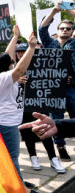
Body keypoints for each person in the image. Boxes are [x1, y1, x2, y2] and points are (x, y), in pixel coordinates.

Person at [0, 32, 42, 193]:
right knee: (12, 157)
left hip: (5, 122)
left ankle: (19, 181)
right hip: (6, 124)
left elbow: (8, 56)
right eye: (10, 63)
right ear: (5, 66)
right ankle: (21, 189)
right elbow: (21, 69)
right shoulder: (3, 77)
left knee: (9, 156)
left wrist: (15, 37)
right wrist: (31, 48)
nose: (13, 62)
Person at [15, 43, 65, 173]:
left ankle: (53, 158)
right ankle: (33, 157)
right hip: (22, 107)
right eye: (18, 52)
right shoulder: (13, 69)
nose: (21, 54)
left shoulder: (40, 65)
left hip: (40, 104)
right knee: (27, 133)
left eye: (23, 51)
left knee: (45, 130)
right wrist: (16, 80)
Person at [39, 1, 75, 161]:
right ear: (58, 30)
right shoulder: (50, 44)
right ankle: (60, 146)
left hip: (72, 87)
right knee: (56, 118)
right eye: (62, 28)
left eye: (68, 28)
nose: (65, 30)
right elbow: (42, 28)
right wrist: (54, 11)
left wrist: (71, 11)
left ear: (72, 31)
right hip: (54, 88)